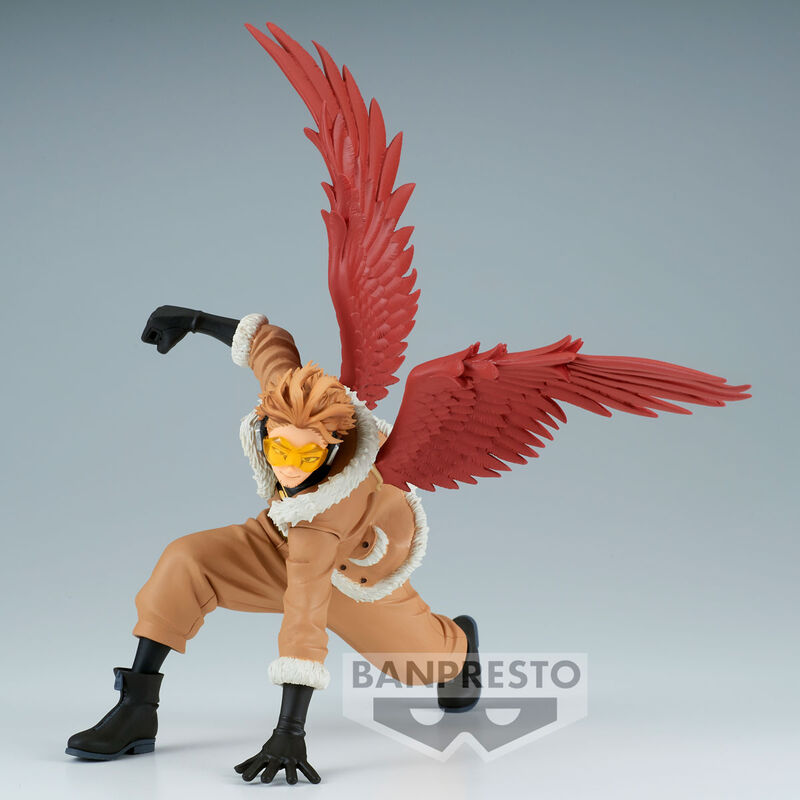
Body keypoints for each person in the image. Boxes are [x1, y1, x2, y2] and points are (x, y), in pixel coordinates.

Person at [65, 305, 482, 785]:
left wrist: (289, 730)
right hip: (273, 541)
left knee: (423, 664)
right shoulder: (289, 400)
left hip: (348, 577)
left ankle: (460, 644)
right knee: (187, 560)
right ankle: (136, 707)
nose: (288, 467)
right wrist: (194, 321)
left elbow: (304, 619)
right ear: (265, 429)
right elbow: (268, 344)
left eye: (307, 456)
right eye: (278, 450)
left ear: (332, 446)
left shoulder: (324, 516)